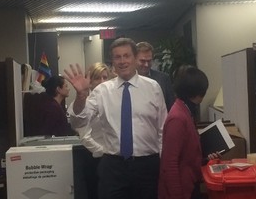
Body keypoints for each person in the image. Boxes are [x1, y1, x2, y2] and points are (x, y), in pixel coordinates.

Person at [64, 37, 167, 199]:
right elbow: (78, 121)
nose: (122, 61)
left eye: (126, 56)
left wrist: (163, 162)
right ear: (112, 61)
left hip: (147, 165)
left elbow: (163, 128)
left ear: (134, 58)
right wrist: (81, 96)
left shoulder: (153, 87)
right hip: (113, 166)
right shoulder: (102, 91)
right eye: (117, 57)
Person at [158, 65, 220, 199]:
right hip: (180, 191)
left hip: (189, 185)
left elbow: (186, 155)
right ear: (198, 93)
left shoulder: (185, 111)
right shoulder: (178, 118)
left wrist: (204, 159)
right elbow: (169, 163)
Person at [73, 62, 110, 199]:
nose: (102, 82)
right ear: (90, 81)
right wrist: (105, 152)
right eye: (97, 78)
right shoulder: (85, 103)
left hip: (113, 159)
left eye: (105, 77)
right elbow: (84, 135)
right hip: (94, 158)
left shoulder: (112, 101)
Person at [136, 41, 175, 111]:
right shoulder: (128, 80)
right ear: (134, 59)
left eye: (149, 61)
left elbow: (171, 107)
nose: (146, 65)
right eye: (142, 61)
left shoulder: (163, 79)